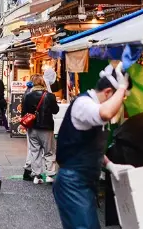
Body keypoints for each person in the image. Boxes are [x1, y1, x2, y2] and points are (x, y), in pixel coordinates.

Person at [53, 66, 130, 229]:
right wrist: (122, 87)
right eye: (119, 99)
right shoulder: (83, 104)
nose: (119, 105)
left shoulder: (92, 108)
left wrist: (109, 164)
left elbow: (88, 146)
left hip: (85, 180)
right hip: (72, 181)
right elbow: (106, 113)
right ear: (108, 92)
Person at [22, 75, 60, 184]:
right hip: (47, 128)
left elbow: (24, 112)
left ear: (33, 83)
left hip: (32, 128)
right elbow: (56, 110)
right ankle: (49, 174)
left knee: (35, 151)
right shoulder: (50, 96)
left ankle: (37, 176)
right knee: (49, 151)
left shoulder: (28, 96)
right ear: (43, 83)